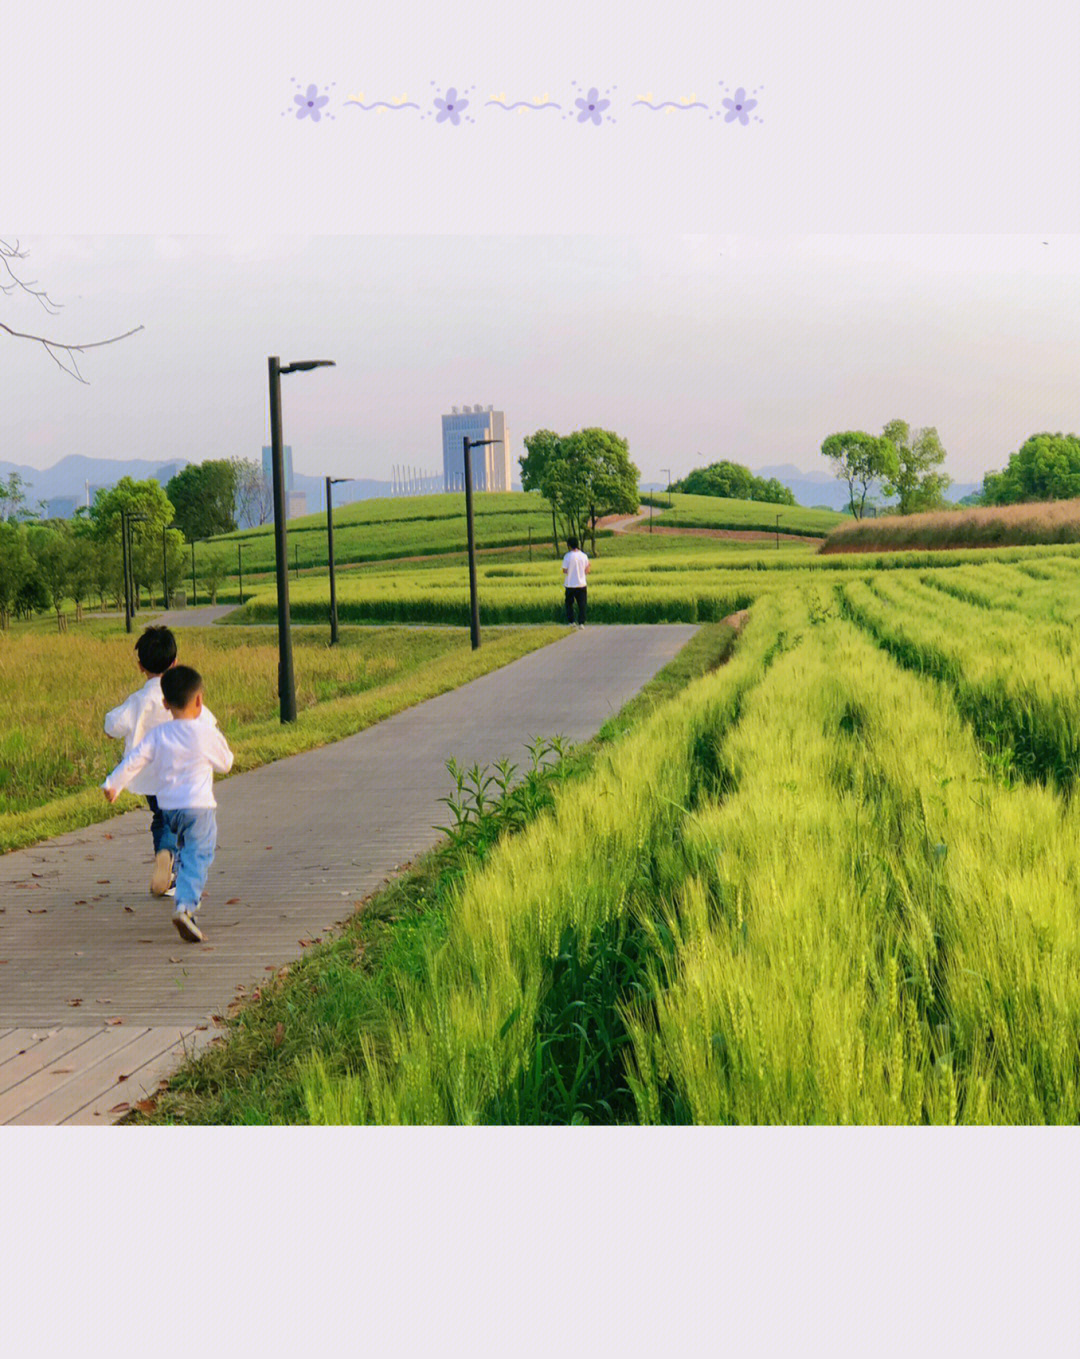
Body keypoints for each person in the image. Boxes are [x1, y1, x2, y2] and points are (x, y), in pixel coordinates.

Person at [103, 665, 234, 943]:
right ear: (199, 700)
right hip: (199, 808)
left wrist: (113, 784)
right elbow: (226, 763)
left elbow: (134, 760)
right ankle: (185, 907)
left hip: (170, 809)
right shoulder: (205, 732)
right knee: (199, 855)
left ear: (165, 703)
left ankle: (176, 876)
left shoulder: (159, 735)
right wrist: (214, 736)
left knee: (185, 849)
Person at [104, 625, 216, 898]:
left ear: (141, 666)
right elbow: (208, 723)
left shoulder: (138, 700)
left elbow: (112, 725)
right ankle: (171, 862)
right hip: (182, 776)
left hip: (149, 777)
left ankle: (165, 859)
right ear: (175, 662)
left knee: (161, 818)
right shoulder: (181, 696)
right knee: (180, 824)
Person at [561, 536, 590, 627]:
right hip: (581, 584)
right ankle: (581, 622)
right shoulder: (583, 556)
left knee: (569, 604)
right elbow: (587, 570)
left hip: (570, 584)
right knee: (582, 604)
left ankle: (571, 622)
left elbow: (564, 570)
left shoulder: (567, 556)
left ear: (569, 546)